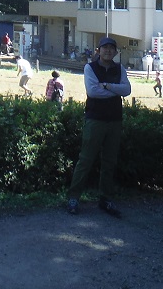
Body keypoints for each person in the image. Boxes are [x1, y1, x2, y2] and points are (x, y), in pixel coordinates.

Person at [66, 37, 132, 217]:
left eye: (112, 48)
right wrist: (115, 90)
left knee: (110, 161)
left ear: (116, 52)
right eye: (105, 48)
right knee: (85, 159)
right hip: (95, 119)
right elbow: (92, 92)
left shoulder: (120, 69)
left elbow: (127, 90)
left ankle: (106, 198)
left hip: (115, 120)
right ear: (98, 50)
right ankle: (73, 197)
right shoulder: (90, 68)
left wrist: (107, 86)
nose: (108, 51)